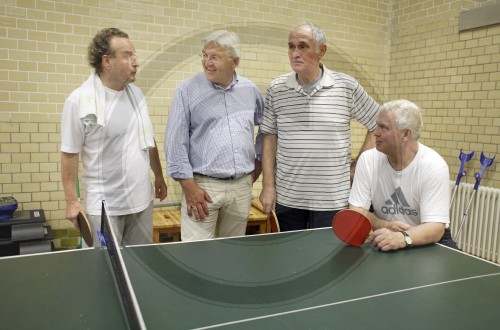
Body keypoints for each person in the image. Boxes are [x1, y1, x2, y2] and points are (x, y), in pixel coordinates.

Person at [259, 22, 380, 231]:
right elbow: (268, 137)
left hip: (332, 200)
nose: (295, 53)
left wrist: (358, 166)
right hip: (288, 197)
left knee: (328, 259)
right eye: (291, 46)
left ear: (321, 50)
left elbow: (377, 123)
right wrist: (268, 186)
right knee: (290, 259)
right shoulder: (277, 88)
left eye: (303, 46)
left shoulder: (346, 86)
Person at [61, 28, 167, 247]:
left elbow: (147, 137)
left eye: (134, 55)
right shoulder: (79, 101)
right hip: (104, 208)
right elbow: (69, 154)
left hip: (141, 202)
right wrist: (72, 201)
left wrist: (158, 174)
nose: (136, 62)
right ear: (107, 61)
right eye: (127, 56)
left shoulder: (136, 94)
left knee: (140, 267)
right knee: (105, 271)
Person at [165, 30, 264, 241]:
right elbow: (175, 143)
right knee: (197, 256)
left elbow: (266, 129)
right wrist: (189, 187)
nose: (206, 62)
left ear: (234, 61)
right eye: (204, 55)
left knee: (232, 253)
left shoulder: (250, 90)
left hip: (241, 187)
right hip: (202, 187)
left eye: (214, 57)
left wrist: (259, 163)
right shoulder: (187, 90)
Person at [348, 99, 458, 251]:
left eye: (383, 127)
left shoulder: (434, 166)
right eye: (376, 125)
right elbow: (356, 211)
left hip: (427, 240)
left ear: (406, 134)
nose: (375, 133)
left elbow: (436, 228)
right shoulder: (368, 160)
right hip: (385, 236)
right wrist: (386, 226)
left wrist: (403, 237)